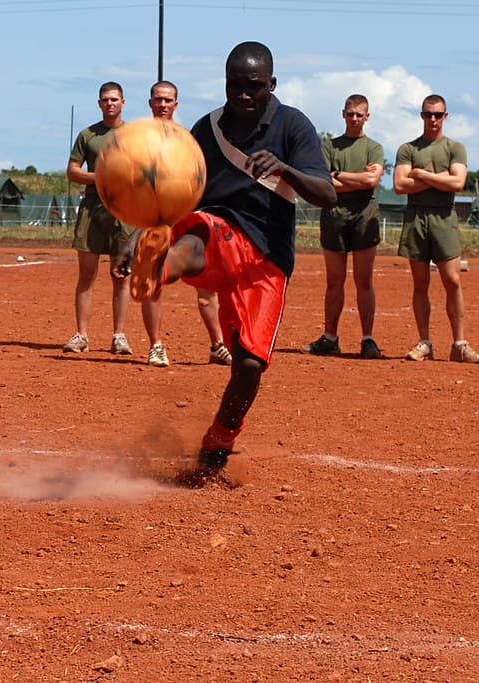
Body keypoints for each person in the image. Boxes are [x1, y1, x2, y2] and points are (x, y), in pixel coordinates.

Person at [112, 41, 337, 477]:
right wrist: (137, 234)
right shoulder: (207, 127)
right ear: (225, 82)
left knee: (249, 364)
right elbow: (175, 189)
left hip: (266, 256)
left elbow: (327, 194)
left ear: (272, 84)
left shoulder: (293, 126)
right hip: (215, 229)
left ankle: (219, 440)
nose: (243, 94)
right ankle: (157, 268)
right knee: (198, 237)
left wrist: (285, 170)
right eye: (235, 84)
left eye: (254, 86)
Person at [142, 80, 232, 367]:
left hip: (188, 216)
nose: (163, 104)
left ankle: (217, 345)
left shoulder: (189, 138)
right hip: (153, 218)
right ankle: (156, 345)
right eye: (158, 99)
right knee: (154, 282)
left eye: (168, 100)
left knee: (207, 285)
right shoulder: (137, 139)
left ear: (176, 104)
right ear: (150, 103)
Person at [393, 95, 475, 362]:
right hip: (416, 218)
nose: (433, 119)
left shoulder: (456, 148)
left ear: (445, 116)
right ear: (421, 115)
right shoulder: (408, 148)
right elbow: (400, 186)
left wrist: (421, 174)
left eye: (438, 115)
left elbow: (457, 183)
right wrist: (440, 178)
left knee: (452, 281)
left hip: (444, 218)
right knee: (421, 283)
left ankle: (459, 344)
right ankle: (424, 342)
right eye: (428, 114)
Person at [302, 95, 385, 359]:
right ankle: (330, 337)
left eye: (359, 114)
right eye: (350, 114)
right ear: (343, 114)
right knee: (334, 281)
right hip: (334, 214)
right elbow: (323, 181)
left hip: (364, 215)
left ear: (367, 117)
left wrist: (338, 175)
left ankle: (368, 339)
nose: (354, 119)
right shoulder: (329, 146)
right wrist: (353, 178)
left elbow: (372, 181)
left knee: (364, 280)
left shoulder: (374, 147)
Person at [62, 81, 134, 357]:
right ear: (99, 103)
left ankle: (119, 336)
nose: (110, 104)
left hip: (125, 212)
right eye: (105, 100)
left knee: (121, 276)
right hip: (92, 209)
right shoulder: (88, 135)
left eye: (114, 99)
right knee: (86, 275)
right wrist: (101, 179)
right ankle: (81, 335)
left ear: (123, 102)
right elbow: (72, 171)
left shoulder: (134, 135)